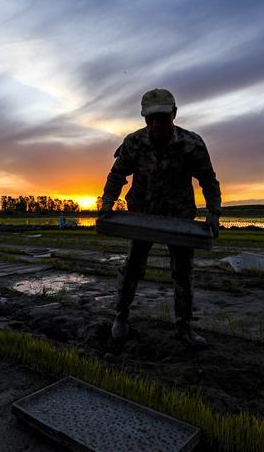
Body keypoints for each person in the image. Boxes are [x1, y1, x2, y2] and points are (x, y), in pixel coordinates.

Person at [99, 88, 222, 346]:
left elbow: (208, 180)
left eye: (163, 117)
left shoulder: (191, 144)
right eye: (151, 118)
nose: (156, 124)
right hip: (143, 214)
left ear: (174, 114)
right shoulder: (134, 142)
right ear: (144, 117)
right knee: (132, 267)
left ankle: (184, 327)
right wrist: (108, 202)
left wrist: (213, 212)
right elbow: (117, 174)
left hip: (179, 217)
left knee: (183, 272)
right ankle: (121, 317)